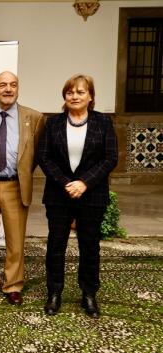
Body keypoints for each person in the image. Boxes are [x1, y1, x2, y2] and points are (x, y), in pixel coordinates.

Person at [38, 74, 118, 318]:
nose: (75, 96)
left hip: (92, 195)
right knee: (55, 245)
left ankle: (89, 294)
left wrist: (84, 183)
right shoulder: (52, 123)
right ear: (65, 96)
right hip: (58, 195)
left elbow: (110, 158)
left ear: (90, 96)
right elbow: (44, 157)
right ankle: (54, 293)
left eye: (80, 92)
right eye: (70, 92)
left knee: (90, 246)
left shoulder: (103, 123)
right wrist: (66, 183)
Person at [0, 71, 45, 305]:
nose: (8, 89)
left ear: (18, 88)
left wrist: (21, 172)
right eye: (2, 85)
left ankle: (13, 284)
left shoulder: (34, 117)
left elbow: (36, 154)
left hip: (15, 185)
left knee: (15, 239)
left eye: (13, 85)